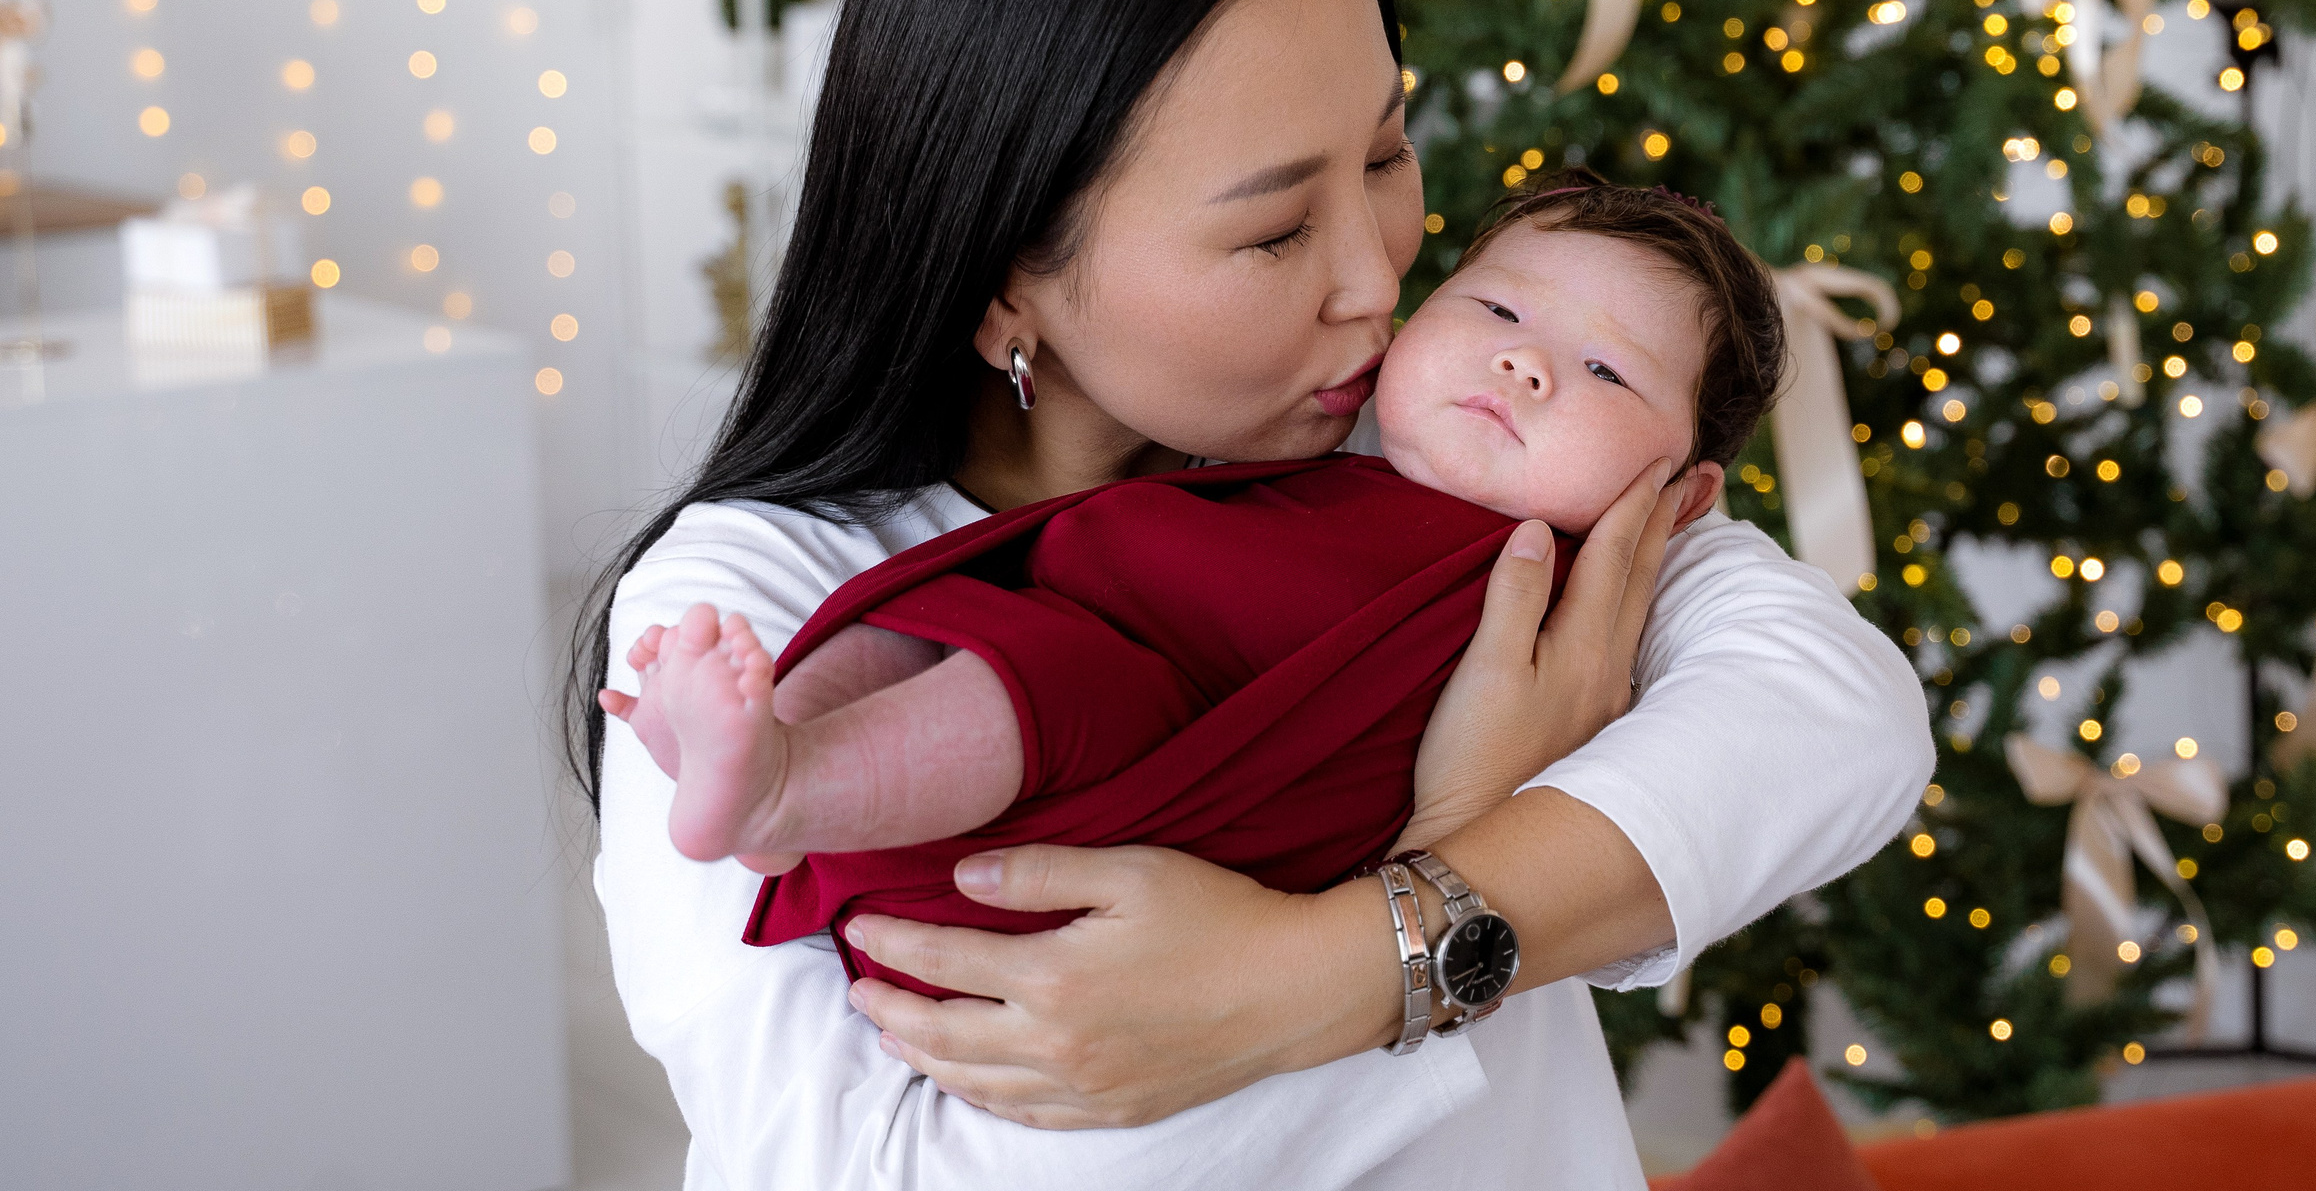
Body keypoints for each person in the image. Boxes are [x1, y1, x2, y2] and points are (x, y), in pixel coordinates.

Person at [575, 0, 1934, 1191]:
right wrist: (1452, 875)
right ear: (1008, 273)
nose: (1377, 277)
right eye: (1278, 229)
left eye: (1388, 153)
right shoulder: (744, 611)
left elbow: (1843, 716)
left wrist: (1348, 958)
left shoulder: (1440, 444)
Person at [605, 175, 1788, 1002]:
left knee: (1041, 676)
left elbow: (1841, 705)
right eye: (1494, 308)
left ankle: (786, 783)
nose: (1522, 362)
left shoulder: (1582, 594)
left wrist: (1454, 846)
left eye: (1605, 371)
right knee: (931, 614)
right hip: (1062, 629)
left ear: (1684, 494)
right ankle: (769, 741)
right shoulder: (1337, 435)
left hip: (1133, 741)